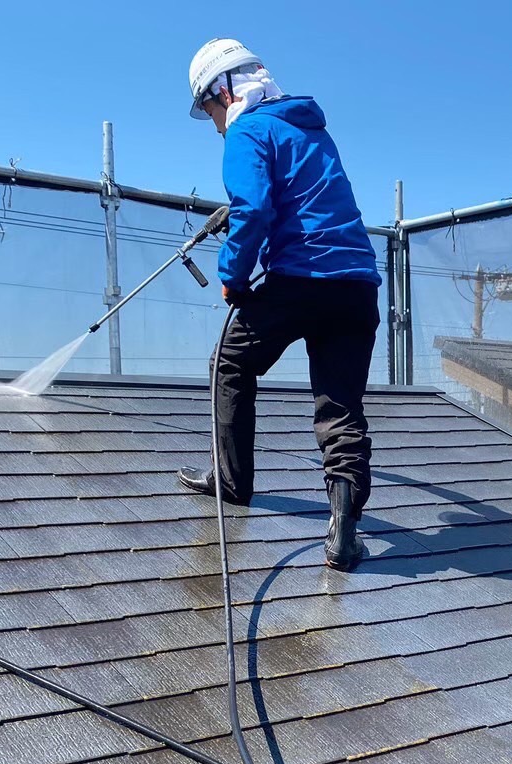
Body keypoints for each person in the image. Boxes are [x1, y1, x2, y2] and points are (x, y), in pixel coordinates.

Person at [178, 38, 380, 572]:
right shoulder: (310, 128)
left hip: (300, 279)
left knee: (230, 362)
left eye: (209, 108)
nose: (214, 121)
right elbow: (298, 196)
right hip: (357, 284)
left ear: (225, 90)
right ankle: (343, 529)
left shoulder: (246, 130)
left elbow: (255, 207)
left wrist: (232, 277)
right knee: (340, 406)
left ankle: (232, 481)